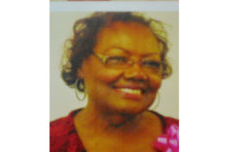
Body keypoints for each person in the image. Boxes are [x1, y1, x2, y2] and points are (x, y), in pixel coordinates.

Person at [50, 12, 179, 152]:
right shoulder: (52, 141)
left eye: (150, 63)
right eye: (118, 59)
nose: (137, 73)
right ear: (80, 66)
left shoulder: (178, 136)